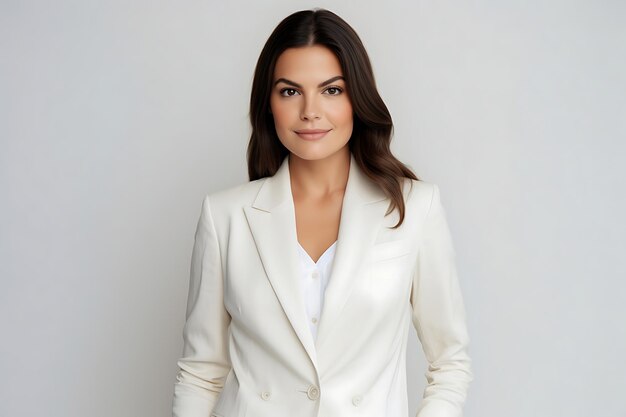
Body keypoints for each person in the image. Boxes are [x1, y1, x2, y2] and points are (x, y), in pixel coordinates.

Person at [172, 8, 472, 417]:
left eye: (331, 90)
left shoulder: (415, 208)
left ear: (357, 98)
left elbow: (449, 362)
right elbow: (200, 372)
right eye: (290, 91)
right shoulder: (224, 216)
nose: (310, 111)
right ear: (269, 104)